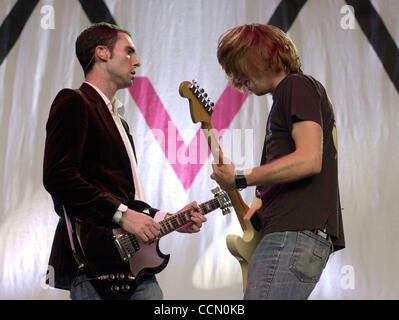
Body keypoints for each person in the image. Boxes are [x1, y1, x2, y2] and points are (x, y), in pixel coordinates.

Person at [43, 22, 207, 300]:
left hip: (134, 267)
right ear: (102, 53)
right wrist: (121, 215)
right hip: (96, 264)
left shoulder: (120, 122)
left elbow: (128, 201)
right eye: (129, 51)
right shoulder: (74, 101)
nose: (137, 61)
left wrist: (170, 219)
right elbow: (59, 176)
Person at [211, 24, 345, 300]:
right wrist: (257, 207)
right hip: (292, 235)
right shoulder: (289, 95)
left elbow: (309, 159)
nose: (236, 78)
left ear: (261, 55)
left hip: (292, 236)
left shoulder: (295, 86)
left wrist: (240, 178)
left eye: (238, 65)